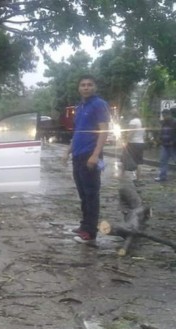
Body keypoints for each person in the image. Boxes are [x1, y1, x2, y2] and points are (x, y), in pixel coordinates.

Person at [62, 75, 110, 244]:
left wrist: (96, 155)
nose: (86, 87)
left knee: (91, 194)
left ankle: (90, 232)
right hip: (78, 156)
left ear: (94, 87)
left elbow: (104, 131)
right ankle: (84, 226)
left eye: (89, 85)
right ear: (79, 88)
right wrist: (68, 151)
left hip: (91, 155)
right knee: (83, 194)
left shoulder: (99, 105)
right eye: (83, 85)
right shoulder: (81, 106)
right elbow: (78, 132)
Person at [121, 109, 145, 180]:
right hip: (140, 143)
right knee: (139, 162)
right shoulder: (141, 121)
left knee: (125, 158)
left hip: (132, 143)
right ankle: (138, 179)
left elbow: (131, 133)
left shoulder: (133, 121)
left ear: (131, 115)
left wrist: (125, 142)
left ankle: (122, 176)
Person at [154, 109, 176, 182]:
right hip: (165, 145)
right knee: (163, 161)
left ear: (169, 115)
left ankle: (162, 176)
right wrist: (160, 139)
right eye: (163, 116)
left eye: (165, 115)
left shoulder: (174, 122)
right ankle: (162, 176)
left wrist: (173, 141)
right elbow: (162, 132)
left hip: (173, 146)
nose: (164, 117)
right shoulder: (164, 123)